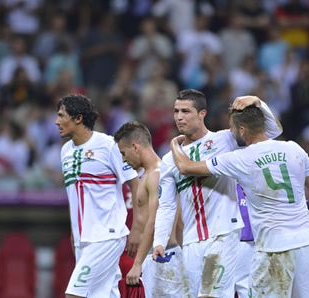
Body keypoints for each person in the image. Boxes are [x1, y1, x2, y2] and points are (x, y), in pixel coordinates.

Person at [168, 103, 309, 297]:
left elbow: (185, 167)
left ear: (242, 130)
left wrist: (174, 144)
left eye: (232, 127)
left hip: (273, 246)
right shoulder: (294, 148)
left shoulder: (240, 158)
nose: (231, 132)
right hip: (307, 241)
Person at [152, 90, 282, 297]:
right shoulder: (169, 159)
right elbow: (167, 205)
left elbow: (271, 133)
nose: (179, 117)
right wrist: (159, 240)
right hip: (191, 239)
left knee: (213, 295)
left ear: (202, 113)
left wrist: (258, 103)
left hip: (224, 233)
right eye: (176, 111)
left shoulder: (225, 140)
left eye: (186, 111)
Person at [55, 94, 140, 298]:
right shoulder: (65, 151)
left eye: (61, 116)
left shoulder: (109, 145)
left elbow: (135, 183)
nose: (57, 122)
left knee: (74, 294)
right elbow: (73, 197)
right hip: (83, 239)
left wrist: (136, 228)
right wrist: (74, 235)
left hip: (106, 235)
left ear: (78, 118)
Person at [114, 121, 183, 297]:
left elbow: (156, 220)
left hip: (162, 256)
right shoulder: (148, 175)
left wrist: (137, 264)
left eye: (123, 153)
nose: (123, 159)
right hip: (156, 256)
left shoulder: (156, 175)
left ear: (135, 147)